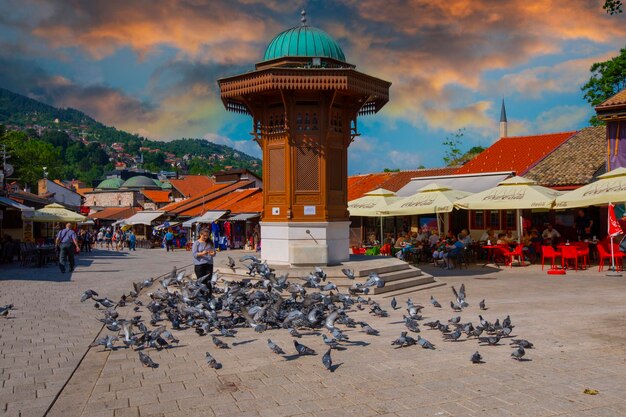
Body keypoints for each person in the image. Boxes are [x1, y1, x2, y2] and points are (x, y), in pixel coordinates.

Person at [192, 228, 215, 295]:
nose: (206, 237)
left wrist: (212, 253)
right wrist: (202, 253)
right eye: (204, 235)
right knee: (201, 281)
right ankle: (201, 297)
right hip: (199, 265)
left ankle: (209, 296)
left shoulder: (210, 242)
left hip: (209, 264)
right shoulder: (196, 243)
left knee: (208, 281)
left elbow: (214, 253)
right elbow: (194, 254)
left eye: (207, 235)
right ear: (200, 234)